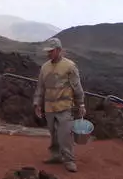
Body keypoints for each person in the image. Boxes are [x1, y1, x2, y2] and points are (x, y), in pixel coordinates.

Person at [33, 37, 85, 173]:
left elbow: (77, 87)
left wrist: (81, 104)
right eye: (48, 51)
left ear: (59, 50)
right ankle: (56, 156)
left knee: (65, 134)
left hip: (64, 106)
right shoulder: (45, 67)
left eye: (51, 51)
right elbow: (40, 87)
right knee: (53, 133)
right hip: (49, 107)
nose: (48, 53)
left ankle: (69, 160)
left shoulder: (69, 66)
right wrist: (37, 103)